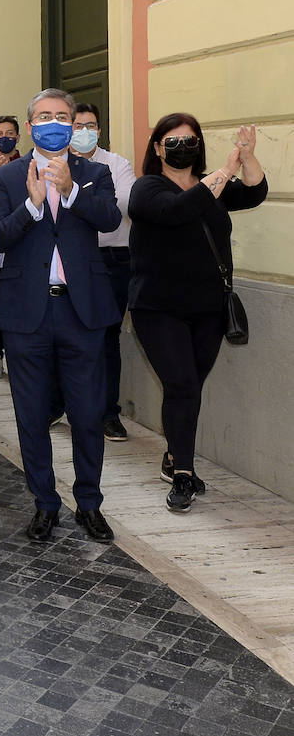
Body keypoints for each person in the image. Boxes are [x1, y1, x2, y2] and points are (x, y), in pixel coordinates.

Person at [0, 89, 123, 543]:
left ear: (74, 123)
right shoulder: (5, 179)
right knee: (30, 416)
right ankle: (45, 503)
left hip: (80, 312)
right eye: (44, 116)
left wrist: (68, 191)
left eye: (63, 116)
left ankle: (89, 503)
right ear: (30, 125)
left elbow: (109, 219)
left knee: (87, 414)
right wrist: (31, 205)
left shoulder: (95, 173)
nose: (55, 122)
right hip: (26, 314)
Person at [129, 116, 266, 514]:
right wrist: (225, 171)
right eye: (172, 141)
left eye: (190, 140)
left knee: (188, 387)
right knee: (183, 384)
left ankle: (174, 454)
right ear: (157, 147)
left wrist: (248, 158)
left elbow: (256, 193)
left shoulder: (216, 186)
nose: (182, 147)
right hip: (158, 307)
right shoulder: (146, 188)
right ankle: (184, 474)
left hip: (208, 308)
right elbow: (177, 211)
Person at [69, 104, 137, 441]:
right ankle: (62, 404)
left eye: (91, 125)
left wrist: (79, 190)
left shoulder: (117, 164)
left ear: (100, 130)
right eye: (78, 125)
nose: (84, 131)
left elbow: (121, 205)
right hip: (71, 259)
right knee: (67, 335)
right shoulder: (57, 164)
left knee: (108, 338)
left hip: (113, 260)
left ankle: (110, 413)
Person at [0, 115, 22, 380]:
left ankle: (15, 354)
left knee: (15, 304)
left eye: (10, 133)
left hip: (19, 250)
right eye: (0, 133)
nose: (5, 137)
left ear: (18, 137)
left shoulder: (26, 165)